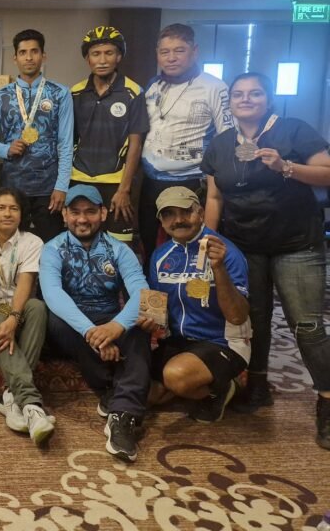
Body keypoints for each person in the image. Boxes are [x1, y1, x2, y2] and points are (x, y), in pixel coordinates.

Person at [201, 72, 330, 446]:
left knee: (306, 325)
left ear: (268, 99)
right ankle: (256, 386)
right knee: (252, 321)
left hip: (296, 245)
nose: (246, 99)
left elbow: (326, 174)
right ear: (230, 102)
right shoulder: (220, 144)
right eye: (238, 94)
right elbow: (215, 198)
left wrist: (285, 167)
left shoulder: (293, 130)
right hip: (244, 246)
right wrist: (208, 240)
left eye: (255, 93)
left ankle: (326, 401)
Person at [40, 185, 150, 462]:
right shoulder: (53, 249)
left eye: (90, 211)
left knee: (140, 327)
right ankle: (108, 383)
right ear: (64, 215)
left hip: (109, 319)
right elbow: (53, 295)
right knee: (54, 319)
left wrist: (116, 327)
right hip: (71, 325)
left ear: (102, 213)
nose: (82, 219)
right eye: (75, 212)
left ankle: (122, 415)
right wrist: (91, 332)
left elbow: (142, 293)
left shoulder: (119, 249)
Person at [144, 187, 251, 423]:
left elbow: (237, 317)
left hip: (221, 342)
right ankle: (188, 381)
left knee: (176, 376)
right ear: (161, 221)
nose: (178, 220)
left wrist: (218, 268)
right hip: (178, 341)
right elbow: (155, 310)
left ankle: (223, 388)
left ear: (200, 213)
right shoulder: (160, 255)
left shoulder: (226, 252)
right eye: (169, 214)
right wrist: (147, 321)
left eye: (186, 211)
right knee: (144, 391)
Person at [140, 23, 232, 259]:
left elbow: (228, 139)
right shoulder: (153, 85)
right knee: (151, 247)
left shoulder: (215, 87)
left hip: (192, 181)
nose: (171, 58)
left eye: (179, 50)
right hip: (151, 181)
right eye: (165, 52)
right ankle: (154, 283)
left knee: (190, 248)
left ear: (195, 51)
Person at [0, 188, 54, 445]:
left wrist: (14, 317)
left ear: (21, 214)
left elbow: (26, 283)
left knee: (37, 307)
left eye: (14, 208)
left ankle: (11, 394)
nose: (7, 213)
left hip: (16, 307)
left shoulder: (32, 242)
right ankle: (31, 405)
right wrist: (6, 318)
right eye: (1, 208)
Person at [0, 29, 73, 241]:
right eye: (23, 52)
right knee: (11, 243)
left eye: (34, 51)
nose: (29, 57)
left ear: (43, 56)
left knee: (50, 246)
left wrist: (62, 186)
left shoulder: (60, 93)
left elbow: (65, 143)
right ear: (15, 58)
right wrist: (5, 149)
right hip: (12, 186)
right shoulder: (1, 95)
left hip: (48, 187)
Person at [70, 26, 149, 243]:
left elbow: (136, 145)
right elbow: (67, 141)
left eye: (109, 53)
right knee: (81, 241)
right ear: (87, 59)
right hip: (79, 178)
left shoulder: (134, 92)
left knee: (118, 244)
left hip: (117, 183)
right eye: (96, 54)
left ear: (119, 56)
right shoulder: (75, 93)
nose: (102, 60)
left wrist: (124, 189)